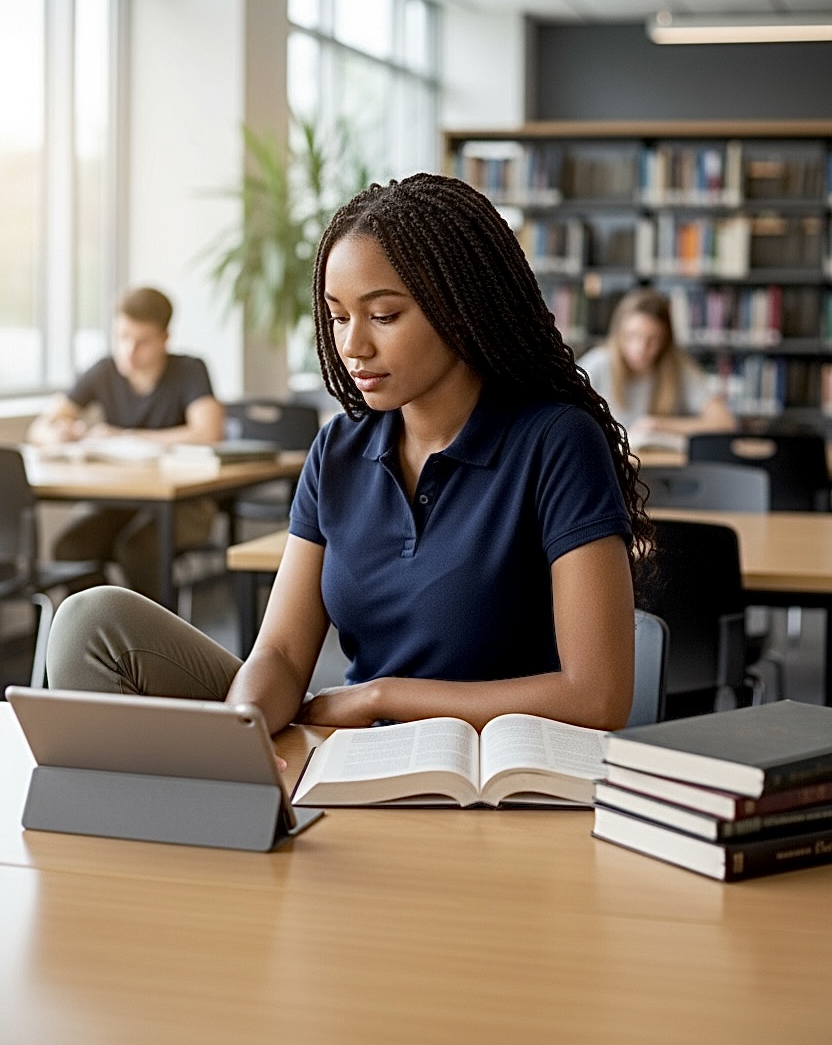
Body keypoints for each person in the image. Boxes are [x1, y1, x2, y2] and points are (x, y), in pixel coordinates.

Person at [47, 175, 652, 739]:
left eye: (383, 316)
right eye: (338, 317)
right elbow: (281, 654)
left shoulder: (557, 442)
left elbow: (596, 696)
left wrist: (379, 698)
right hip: (358, 759)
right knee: (88, 625)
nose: (352, 345)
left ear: (462, 309)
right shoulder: (338, 449)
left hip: (494, 768)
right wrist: (244, 737)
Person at [27, 285, 225, 601]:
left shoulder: (189, 369)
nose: (129, 351)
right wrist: (58, 433)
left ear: (164, 339)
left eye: (142, 341)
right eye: (122, 337)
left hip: (184, 505)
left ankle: (156, 644)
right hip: (121, 503)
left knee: (139, 549)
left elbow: (209, 432)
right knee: (72, 548)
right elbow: (41, 427)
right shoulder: (104, 370)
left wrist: (125, 436)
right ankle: (106, 631)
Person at [579, 288, 735, 448]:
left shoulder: (678, 369)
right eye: (632, 335)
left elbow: (725, 422)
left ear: (665, 340)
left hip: (660, 467)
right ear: (619, 333)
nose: (640, 348)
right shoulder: (598, 363)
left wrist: (659, 425)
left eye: (652, 340)